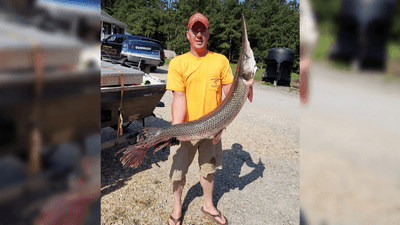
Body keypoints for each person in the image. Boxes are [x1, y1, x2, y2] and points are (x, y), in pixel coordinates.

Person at [166, 12, 238, 225]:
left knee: (208, 170)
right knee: (178, 170)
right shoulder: (178, 63)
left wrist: (246, 85)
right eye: (194, 30)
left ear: (208, 33)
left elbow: (230, 94)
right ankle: (177, 207)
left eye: (202, 30)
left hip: (213, 128)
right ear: (187, 34)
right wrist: (175, 128)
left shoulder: (220, 61)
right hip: (187, 130)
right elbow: (179, 98)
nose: (199, 34)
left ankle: (208, 205)